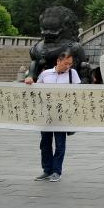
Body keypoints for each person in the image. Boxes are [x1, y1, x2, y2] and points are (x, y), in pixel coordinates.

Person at [24, 50, 81, 182]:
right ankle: (47, 170)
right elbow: (36, 89)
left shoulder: (73, 74)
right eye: (66, 63)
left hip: (63, 115)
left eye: (70, 64)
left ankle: (56, 171)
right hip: (46, 114)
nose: (68, 66)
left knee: (60, 144)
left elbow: (79, 92)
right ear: (58, 61)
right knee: (45, 144)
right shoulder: (45, 74)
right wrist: (29, 81)